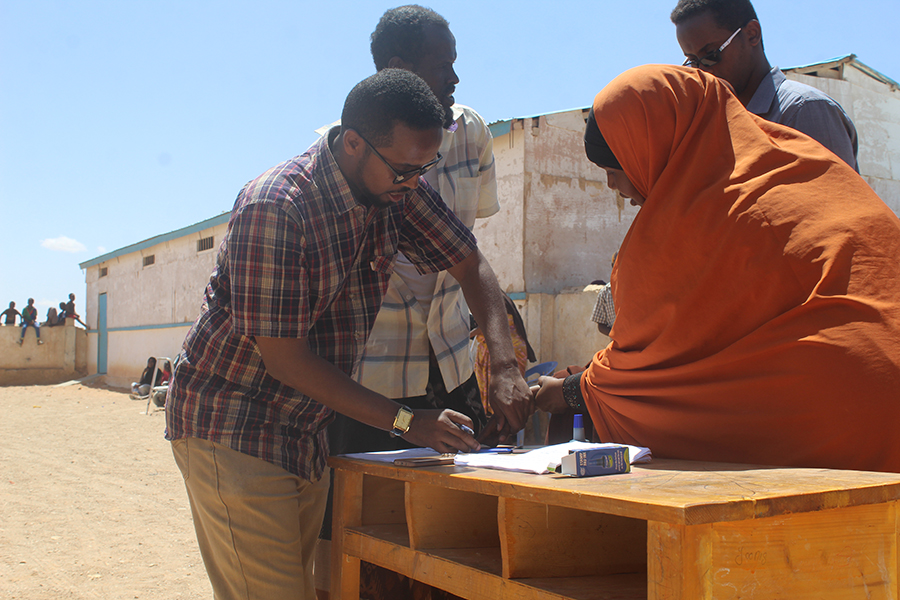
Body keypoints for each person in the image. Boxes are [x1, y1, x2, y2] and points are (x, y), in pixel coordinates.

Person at [165, 69, 531, 600]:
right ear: (354, 143)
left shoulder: (396, 190)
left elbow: (469, 263)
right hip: (235, 422)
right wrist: (407, 421)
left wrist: (503, 362)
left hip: (305, 429)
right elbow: (285, 359)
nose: (415, 183)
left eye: (424, 168)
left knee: (309, 586)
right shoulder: (277, 207)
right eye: (404, 170)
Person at [533, 64, 900, 473]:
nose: (612, 187)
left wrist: (572, 391)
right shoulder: (809, 166)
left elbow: (649, 374)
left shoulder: (689, 227)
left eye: (614, 170)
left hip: (835, 441)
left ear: (649, 149)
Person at [671, 0, 859, 171]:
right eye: (693, 62)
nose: (703, 71)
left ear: (752, 34)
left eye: (711, 55)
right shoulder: (717, 127)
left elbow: (835, 196)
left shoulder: (803, 110)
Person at [590, 251, 618, 336]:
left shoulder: (635, 289)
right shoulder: (605, 293)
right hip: (616, 341)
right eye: (617, 262)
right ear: (612, 265)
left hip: (637, 341)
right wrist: (616, 335)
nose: (620, 266)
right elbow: (601, 325)